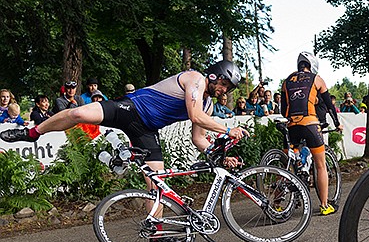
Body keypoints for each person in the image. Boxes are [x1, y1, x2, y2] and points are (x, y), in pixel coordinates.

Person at [2, 59, 248, 185]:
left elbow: (198, 138)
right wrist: (227, 128)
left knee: (157, 182)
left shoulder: (207, 105)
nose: (224, 90)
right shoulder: (195, 79)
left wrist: (219, 157)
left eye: (228, 88)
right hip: (129, 109)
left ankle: (157, 232)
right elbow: (195, 116)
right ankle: (34, 132)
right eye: (224, 84)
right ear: (214, 75)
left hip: (147, 129)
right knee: (78, 114)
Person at [281, 51, 342, 216]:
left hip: (291, 126)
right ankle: (324, 205)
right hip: (310, 124)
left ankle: (277, 205)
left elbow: (283, 109)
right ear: (313, 65)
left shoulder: (286, 81)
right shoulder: (317, 79)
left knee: (286, 168)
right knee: (320, 165)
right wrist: (337, 124)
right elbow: (329, 105)